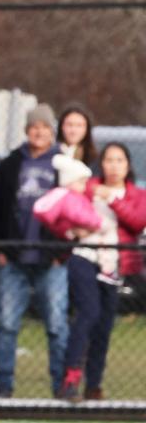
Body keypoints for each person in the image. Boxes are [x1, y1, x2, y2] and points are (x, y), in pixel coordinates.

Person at [0, 103, 68, 398]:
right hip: (14, 258)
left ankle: (62, 385)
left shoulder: (63, 165)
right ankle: (4, 385)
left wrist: (62, 253)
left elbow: (74, 212)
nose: (39, 132)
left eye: (45, 127)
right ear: (26, 130)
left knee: (57, 325)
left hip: (51, 261)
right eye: (34, 126)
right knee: (7, 324)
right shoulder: (9, 164)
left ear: (52, 132)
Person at [57, 144, 146, 400]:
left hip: (115, 265)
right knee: (88, 312)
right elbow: (63, 213)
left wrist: (113, 199)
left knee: (104, 326)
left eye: (119, 160)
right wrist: (72, 231)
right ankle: (70, 379)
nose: (114, 166)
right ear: (102, 163)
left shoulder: (136, 195)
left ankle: (93, 384)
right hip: (85, 257)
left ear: (127, 165)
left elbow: (138, 221)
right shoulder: (87, 187)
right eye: (109, 160)